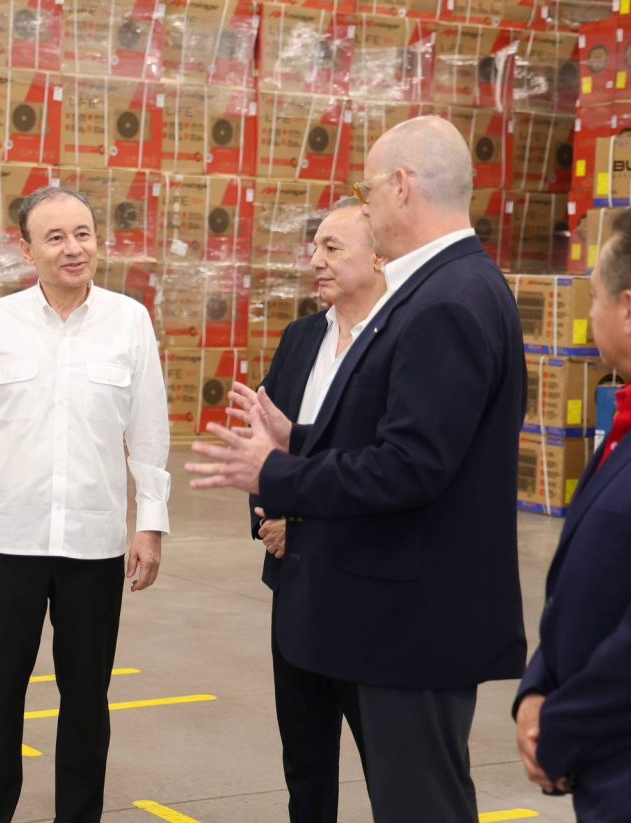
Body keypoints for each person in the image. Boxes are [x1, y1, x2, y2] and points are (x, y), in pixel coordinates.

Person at [187, 115, 527, 822]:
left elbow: (411, 467)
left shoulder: (443, 302)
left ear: (401, 186)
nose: (366, 207)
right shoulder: (451, 287)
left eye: (367, 192)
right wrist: (301, 437)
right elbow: (417, 437)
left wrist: (277, 472)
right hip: (406, 612)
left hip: (413, 621)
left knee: (420, 806)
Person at [0, 186, 170, 823]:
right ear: (27, 250)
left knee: (87, 703)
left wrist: (150, 524)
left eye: (83, 234)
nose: (74, 249)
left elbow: (150, 432)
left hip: (93, 546)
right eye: (56, 237)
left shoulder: (129, 321)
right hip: (5, 543)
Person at [513, 202, 631, 821]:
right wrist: (537, 688)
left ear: (629, 310)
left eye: (596, 295)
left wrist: (560, 730)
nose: (589, 312)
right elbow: (588, 587)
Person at [246, 197, 388, 820]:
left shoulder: (399, 339)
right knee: (305, 759)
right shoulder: (302, 338)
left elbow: (389, 465)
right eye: (315, 248)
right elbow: (265, 438)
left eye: (332, 248)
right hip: (296, 581)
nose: (316, 260)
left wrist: (303, 516)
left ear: (378, 256)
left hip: (367, 586)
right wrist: (270, 513)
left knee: (389, 760)